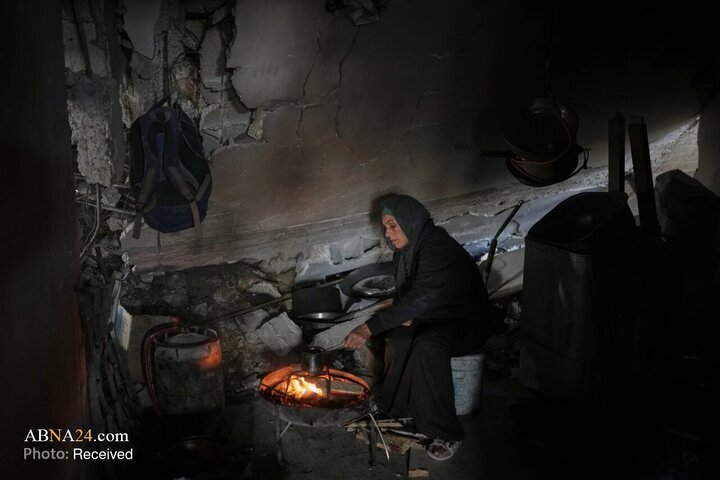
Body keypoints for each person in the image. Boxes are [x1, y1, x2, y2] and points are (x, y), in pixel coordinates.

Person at [344, 194, 491, 461]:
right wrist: (405, 315)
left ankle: (446, 432)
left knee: (428, 345)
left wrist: (368, 328)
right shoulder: (408, 250)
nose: (388, 234)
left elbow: (423, 296)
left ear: (410, 221)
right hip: (436, 315)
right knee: (398, 336)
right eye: (385, 227)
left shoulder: (437, 247)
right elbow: (411, 296)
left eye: (392, 226)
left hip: (465, 322)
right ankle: (394, 407)